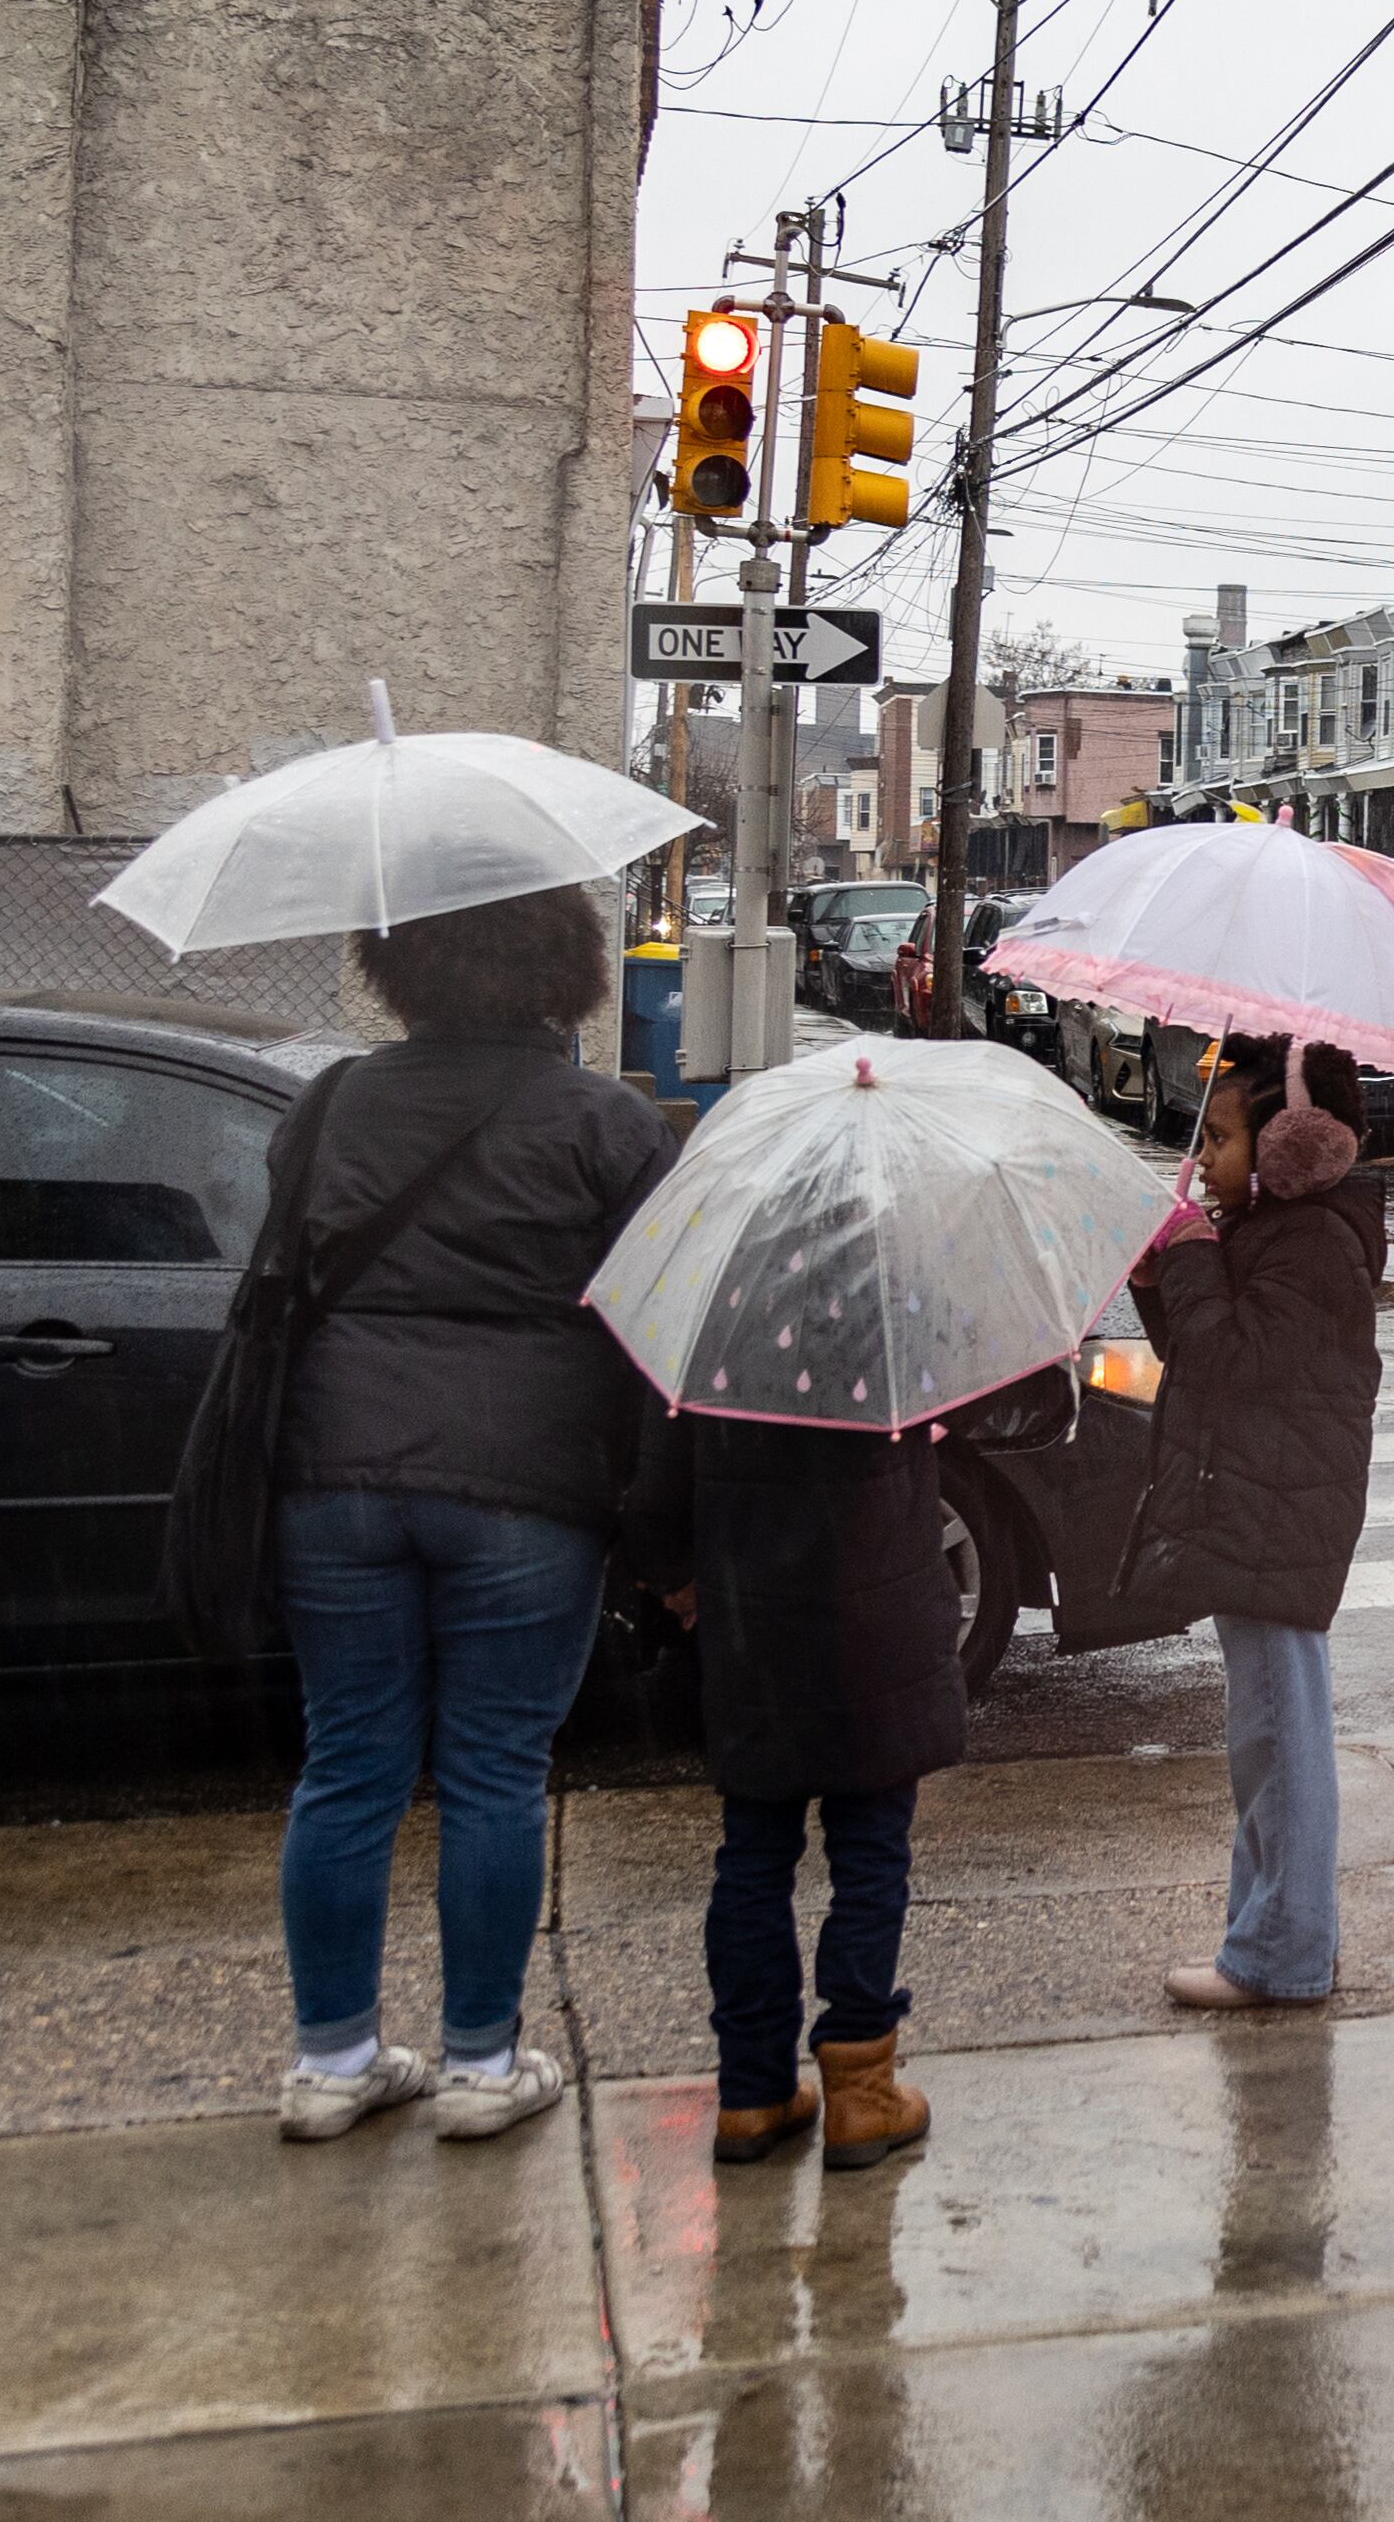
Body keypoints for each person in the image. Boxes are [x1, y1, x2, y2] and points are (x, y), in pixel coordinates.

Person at [270, 882, 675, 2143]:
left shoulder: (331, 1103)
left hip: (334, 1469)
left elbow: (280, 1269)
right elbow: (659, 1322)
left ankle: (333, 2059)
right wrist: (661, 1526)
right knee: (496, 1768)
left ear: (398, 965)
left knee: (348, 1760)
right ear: (566, 970)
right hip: (527, 1483)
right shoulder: (604, 1123)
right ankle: (479, 2062)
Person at [622, 1408, 967, 2169]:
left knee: (752, 1851)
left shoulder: (719, 1321)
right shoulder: (890, 1316)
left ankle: (751, 2092)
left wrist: (681, 1582)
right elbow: (1008, 1402)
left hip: (754, 1619)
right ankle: (859, 2094)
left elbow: (651, 1495)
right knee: (871, 1851)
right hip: (876, 1611)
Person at [1132, 1037, 1383, 2011]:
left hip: (1281, 1511)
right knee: (1267, 1739)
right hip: (1262, 1502)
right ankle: (1270, 1935)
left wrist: (1192, 1260)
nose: (1209, 1155)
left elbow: (1238, 1359)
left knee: (1278, 1740)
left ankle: (1281, 1950)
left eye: (1226, 1135)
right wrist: (1169, 1281)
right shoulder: (1273, 1229)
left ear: (1297, 1141)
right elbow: (1205, 1355)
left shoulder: (1312, 1240)